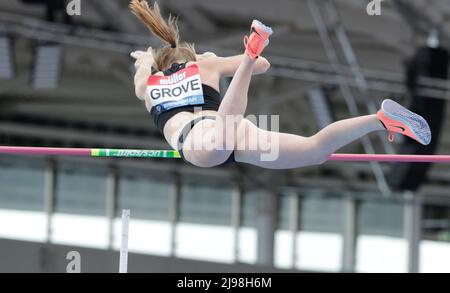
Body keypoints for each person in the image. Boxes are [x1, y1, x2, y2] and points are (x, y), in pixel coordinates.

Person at [129, 0, 431, 169]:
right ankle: (380, 120)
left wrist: (144, 60)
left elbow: (142, 68)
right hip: (234, 132)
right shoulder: (206, 64)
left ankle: (248, 55)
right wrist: (231, 60)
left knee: (223, 138)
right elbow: (265, 65)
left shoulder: (149, 84)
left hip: (201, 139)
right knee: (314, 149)